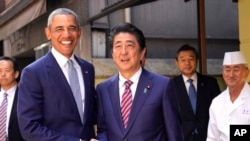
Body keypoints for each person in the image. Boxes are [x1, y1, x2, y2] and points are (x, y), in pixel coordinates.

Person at [94, 23, 183, 141]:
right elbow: (103, 130)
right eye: (118, 46)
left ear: (142, 53)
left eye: (129, 45)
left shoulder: (163, 86)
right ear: (113, 54)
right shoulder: (103, 89)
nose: (124, 52)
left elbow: (174, 134)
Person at [17, 8, 96, 141]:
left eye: (72, 28)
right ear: (48, 33)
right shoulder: (33, 73)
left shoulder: (87, 69)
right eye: (59, 29)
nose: (66, 35)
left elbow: (91, 116)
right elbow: (29, 127)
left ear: (79, 32)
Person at [173, 44, 221, 141]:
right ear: (177, 63)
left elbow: (219, 110)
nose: (187, 63)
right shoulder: (170, 86)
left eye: (191, 59)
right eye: (183, 60)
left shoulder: (210, 83)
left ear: (197, 61)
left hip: (208, 136)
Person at [206, 51, 250, 141]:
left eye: (236, 69)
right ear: (222, 73)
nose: (231, 74)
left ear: (247, 72)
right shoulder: (217, 102)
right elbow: (212, 138)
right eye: (227, 70)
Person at [0, 56, 24, 141]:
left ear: (16, 74)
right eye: (0, 71)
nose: (2, 74)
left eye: (7, 70)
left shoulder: (25, 96)